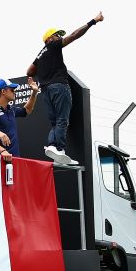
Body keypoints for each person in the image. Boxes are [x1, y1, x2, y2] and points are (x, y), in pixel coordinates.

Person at [25, 12, 104, 165]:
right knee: (62, 119)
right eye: (56, 36)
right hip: (59, 87)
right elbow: (74, 35)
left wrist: (42, 71)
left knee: (55, 122)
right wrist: (93, 21)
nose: (59, 38)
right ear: (49, 39)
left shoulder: (40, 54)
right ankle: (58, 147)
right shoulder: (52, 45)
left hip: (46, 90)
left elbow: (29, 71)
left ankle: (54, 148)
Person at [0, 78, 40, 159]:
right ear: (3, 91)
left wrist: (34, 93)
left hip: (15, 158)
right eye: (12, 90)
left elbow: (27, 110)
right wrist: (2, 150)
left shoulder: (11, 109)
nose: (14, 92)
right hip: (0, 159)